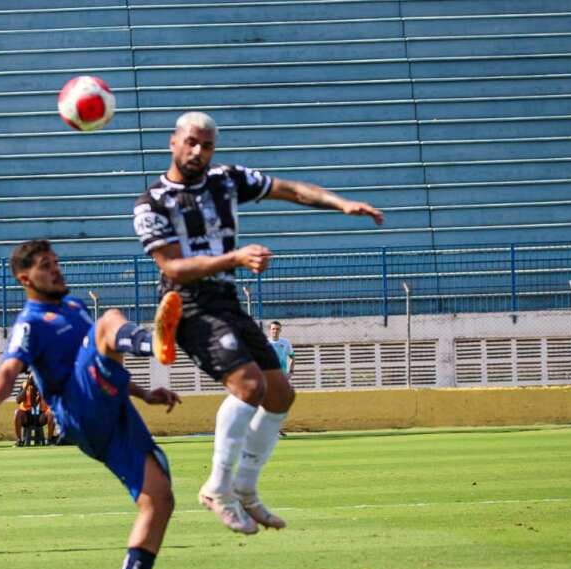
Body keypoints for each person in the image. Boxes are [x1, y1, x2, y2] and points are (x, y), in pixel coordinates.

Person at [133, 111, 384, 535]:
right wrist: (236, 257)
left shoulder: (226, 179)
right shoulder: (152, 203)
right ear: (173, 142)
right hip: (187, 304)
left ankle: (246, 490)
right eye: (191, 142)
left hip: (226, 299)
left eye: (207, 145)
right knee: (249, 387)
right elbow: (174, 268)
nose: (198, 152)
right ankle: (216, 487)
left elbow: (287, 189)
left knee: (281, 395)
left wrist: (339, 203)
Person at [0, 239, 182, 569]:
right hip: (79, 409)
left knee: (160, 498)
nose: (56, 269)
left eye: (56, 262)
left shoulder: (74, 306)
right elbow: (10, 368)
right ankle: (152, 341)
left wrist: (145, 394)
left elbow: (102, 360)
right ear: (25, 278)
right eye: (45, 265)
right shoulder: (30, 321)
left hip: (112, 408)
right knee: (111, 319)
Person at [267, 321, 295, 437]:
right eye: (273, 329)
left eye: (277, 329)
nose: (275, 331)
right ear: (270, 330)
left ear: (280, 330)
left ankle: (276, 429)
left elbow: (292, 357)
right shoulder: (265, 343)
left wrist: (290, 372)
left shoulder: (285, 343)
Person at [14, 373, 55, 445]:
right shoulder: (24, 385)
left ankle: (49, 440)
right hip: (27, 415)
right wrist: (26, 387)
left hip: (41, 415)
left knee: (51, 413)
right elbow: (18, 400)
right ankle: (19, 440)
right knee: (17, 412)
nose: (34, 380)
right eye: (32, 379)